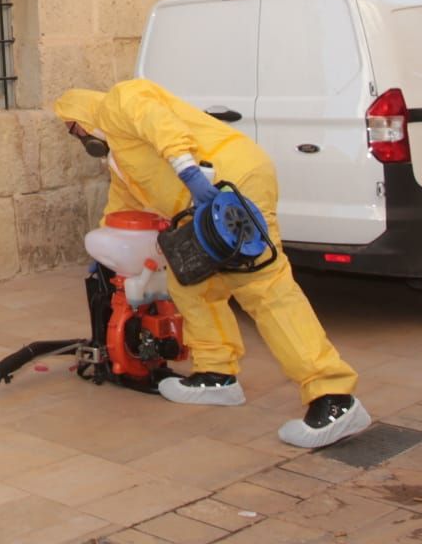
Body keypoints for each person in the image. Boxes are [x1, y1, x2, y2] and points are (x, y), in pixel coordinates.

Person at [54, 81, 371, 449]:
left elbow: (162, 126)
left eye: (73, 128)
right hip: (199, 207)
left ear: (82, 115)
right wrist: (103, 258)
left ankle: (333, 396)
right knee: (189, 281)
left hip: (230, 183)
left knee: (264, 289)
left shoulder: (121, 101)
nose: (76, 136)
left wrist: (189, 173)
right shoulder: (120, 160)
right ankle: (216, 374)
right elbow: (123, 206)